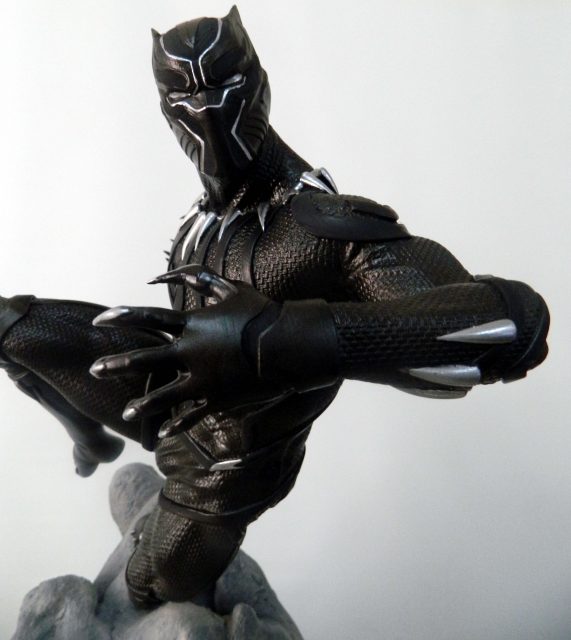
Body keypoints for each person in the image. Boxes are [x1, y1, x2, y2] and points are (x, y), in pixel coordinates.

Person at [0, 6, 549, 607]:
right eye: (185, 95)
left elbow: (510, 326)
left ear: (259, 84)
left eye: (227, 84)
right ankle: (90, 437)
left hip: (226, 469)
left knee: (147, 588)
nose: (208, 111)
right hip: (165, 392)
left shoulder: (319, 227)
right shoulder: (201, 224)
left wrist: (278, 338)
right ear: (164, 107)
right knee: (7, 325)